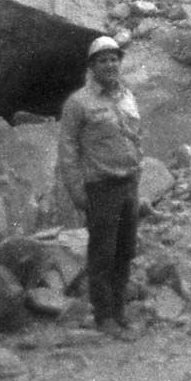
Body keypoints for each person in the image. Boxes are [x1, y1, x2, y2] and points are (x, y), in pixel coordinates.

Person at [56, 36, 143, 338]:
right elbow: (67, 150)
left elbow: (135, 138)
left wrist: (137, 177)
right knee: (102, 255)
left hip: (128, 184)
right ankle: (104, 316)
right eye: (103, 60)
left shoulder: (127, 96)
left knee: (125, 251)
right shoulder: (78, 103)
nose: (110, 64)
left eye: (114, 59)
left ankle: (119, 312)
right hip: (101, 187)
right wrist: (77, 192)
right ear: (92, 66)